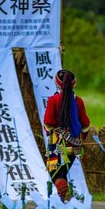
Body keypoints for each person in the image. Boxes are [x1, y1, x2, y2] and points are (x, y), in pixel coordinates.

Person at [43, 69, 90, 201]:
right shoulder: (78, 101)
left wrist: (51, 131)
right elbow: (85, 124)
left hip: (56, 144)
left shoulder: (53, 100)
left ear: (57, 84)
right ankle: (63, 198)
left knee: (56, 174)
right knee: (62, 173)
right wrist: (81, 137)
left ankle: (63, 195)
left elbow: (47, 123)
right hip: (73, 146)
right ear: (74, 84)